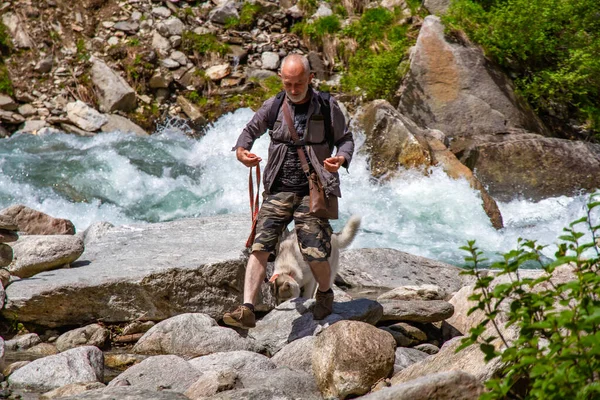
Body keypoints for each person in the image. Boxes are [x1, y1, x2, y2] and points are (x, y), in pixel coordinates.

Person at [223, 54, 354, 329]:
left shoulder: (328, 106)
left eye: (298, 84)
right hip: (279, 189)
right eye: (288, 84)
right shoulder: (274, 105)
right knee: (260, 246)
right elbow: (250, 130)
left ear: (310, 78)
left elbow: (345, 140)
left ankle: (325, 294)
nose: (293, 90)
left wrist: (341, 159)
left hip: (313, 191)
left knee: (314, 250)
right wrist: (241, 151)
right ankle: (247, 308)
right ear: (281, 79)